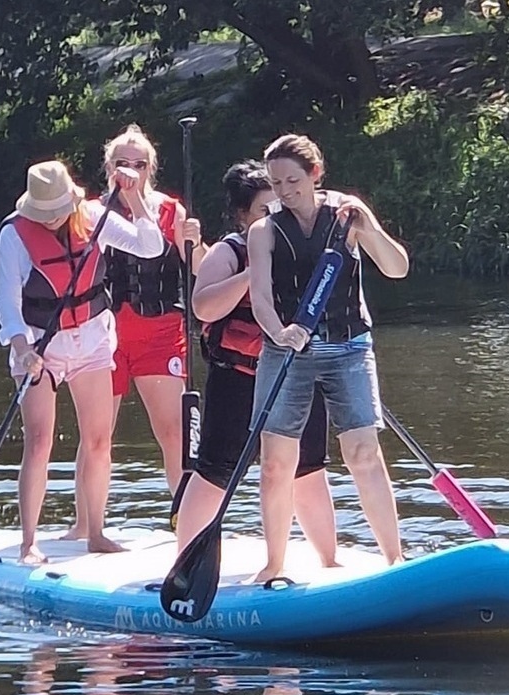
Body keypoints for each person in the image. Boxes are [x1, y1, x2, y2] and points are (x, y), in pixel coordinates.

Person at [246, 134, 411, 583]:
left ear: (316, 175)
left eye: (293, 180)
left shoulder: (347, 217)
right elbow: (259, 296)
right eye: (276, 182)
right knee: (278, 461)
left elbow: (397, 269)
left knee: (362, 452)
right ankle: (274, 564)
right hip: (288, 351)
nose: (284, 191)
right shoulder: (263, 230)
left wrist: (370, 229)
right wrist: (280, 333)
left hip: (349, 346)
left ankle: (394, 560)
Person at [0, 160, 163, 564]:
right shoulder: (14, 234)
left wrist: (133, 196)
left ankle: (96, 532)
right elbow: (7, 301)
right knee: (38, 442)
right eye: (45, 214)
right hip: (39, 345)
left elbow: (151, 246)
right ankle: (29, 541)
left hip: (91, 340)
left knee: (99, 440)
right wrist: (21, 347)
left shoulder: (91, 215)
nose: (52, 221)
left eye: (57, 212)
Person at [174, 161, 338, 569]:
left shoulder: (302, 245)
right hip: (240, 377)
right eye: (265, 212)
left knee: (308, 469)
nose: (275, 218)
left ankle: (330, 562)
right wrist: (255, 271)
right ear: (243, 216)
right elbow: (203, 306)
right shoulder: (230, 252)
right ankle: (187, 564)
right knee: (216, 472)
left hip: (296, 374)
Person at [99, 124, 204, 499]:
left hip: (160, 331)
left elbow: (200, 269)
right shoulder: (94, 213)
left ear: (150, 169)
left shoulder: (170, 211)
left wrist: (195, 242)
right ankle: (87, 526)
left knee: (174, 431)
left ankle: (184, 514)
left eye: (139, 164)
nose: (130, 171)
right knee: (97, 435)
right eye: (121, 163)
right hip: (105, 335)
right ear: (109, 168)